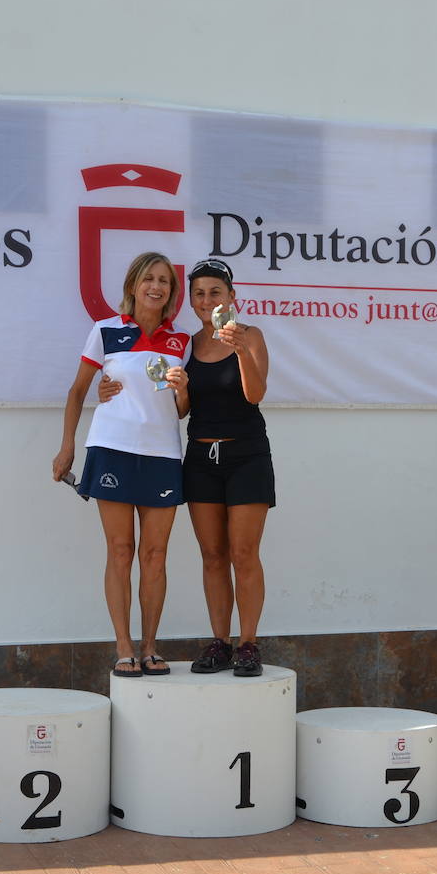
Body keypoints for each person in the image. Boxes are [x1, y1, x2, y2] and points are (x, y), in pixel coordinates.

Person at [97, 258, 273, 677]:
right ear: (190, 301)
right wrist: (114, 390)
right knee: (212, 556)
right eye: (199, 293)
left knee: (244, 553)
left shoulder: (251, 335)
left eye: (215, 292)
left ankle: (248, 643)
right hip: (199, 457)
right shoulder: (188, 343)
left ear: (232, 297)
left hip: (246, 455)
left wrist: (240, 348)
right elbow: (182, 407)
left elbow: (255, 395)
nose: (207, 300)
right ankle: (220, 642)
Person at [52, 251, 191, 678]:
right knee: (120, 550)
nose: (156, 286)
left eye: (164, 281)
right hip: (111, 447)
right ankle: (124, 646)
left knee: (156, 554)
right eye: (149, 278)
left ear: (171, 290)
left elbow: (182, 410)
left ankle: (150, 646)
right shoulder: (106, 331)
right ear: (133, 285)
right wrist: (67, 448)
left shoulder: (181, 342)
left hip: (163, 453)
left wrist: (183, 388)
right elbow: (78, 391)